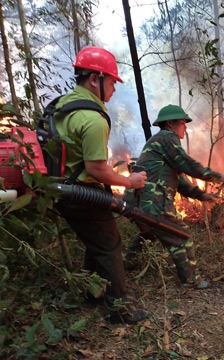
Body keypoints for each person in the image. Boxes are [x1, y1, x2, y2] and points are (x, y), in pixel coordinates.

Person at [53, 46, 149, 324]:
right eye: (111, 81)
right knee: (109, 245)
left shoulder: (64, 105)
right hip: (82, 195)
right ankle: (118, 310)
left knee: (95, 241)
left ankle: (91, 292)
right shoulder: (92, 118)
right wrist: (129, 180)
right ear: (94, 79)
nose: (114, 89)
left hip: (63, 190)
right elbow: (95, 168)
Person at [123, 104, 224, 289]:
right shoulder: (167, 137)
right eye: (182, 123)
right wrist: (217, 175)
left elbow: (179, 180)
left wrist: (201, 195)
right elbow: (186, 164)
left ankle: (125, 263)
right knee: (181, 235)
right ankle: (189, 280)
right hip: (153, 200)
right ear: (170, 123)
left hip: (137, 199)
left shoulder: (160, 143)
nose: (185, 127)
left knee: (148, 232)